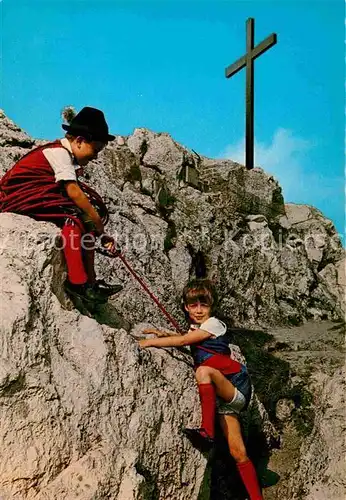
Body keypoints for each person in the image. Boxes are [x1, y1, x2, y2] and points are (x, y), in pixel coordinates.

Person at [139, 279, 263, 500]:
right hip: (225, 399)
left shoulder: (215, 324)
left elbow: (186, 340)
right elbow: (188, 339)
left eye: (203, 305)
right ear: (186, 306)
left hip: (235, 385)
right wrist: (163, 334)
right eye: (193, 305)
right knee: (239, 453)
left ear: (211, 306)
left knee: (203, 371)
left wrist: (149, 343)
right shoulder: (200, 328)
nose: (198, 310)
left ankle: (207, 432)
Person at [0, 106, 122, 303]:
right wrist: (98, 223)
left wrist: (96, 228)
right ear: (80, 141)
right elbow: (74, 192)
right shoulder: (60, 154)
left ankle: (91, 282)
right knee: (73, 217)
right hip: (18, 197)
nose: (96, 156)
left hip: (35, 196)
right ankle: (78, 282)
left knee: (84, 221)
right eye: (95, 150)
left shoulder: (63, 154)